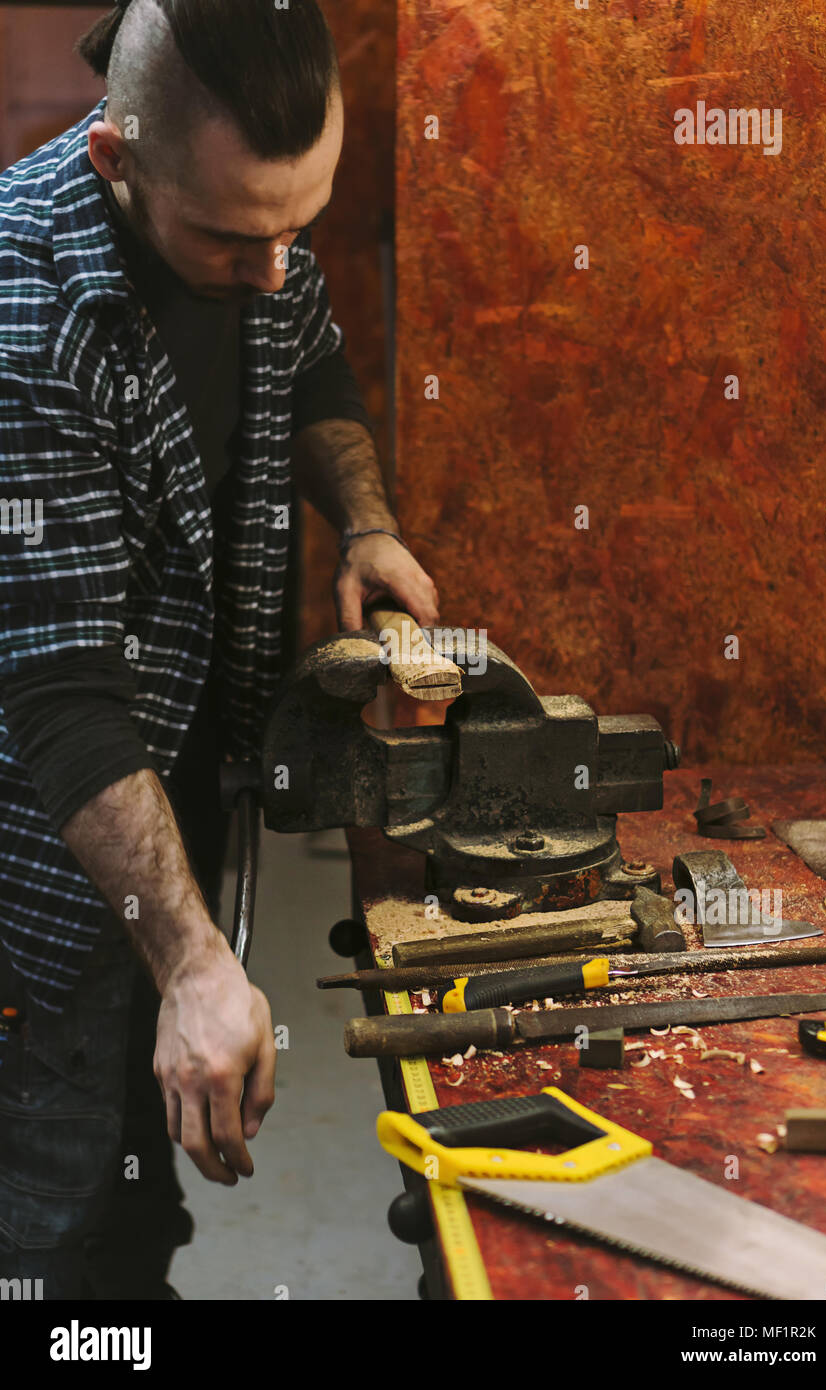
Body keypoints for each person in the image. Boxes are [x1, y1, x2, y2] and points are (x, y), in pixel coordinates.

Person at [0, 0, 438, 1299]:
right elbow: (66, 699)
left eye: (300, 226)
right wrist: (195, 963)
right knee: (46, 1227)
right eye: (240, 240)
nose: (277, 267)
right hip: (43, 879)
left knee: (134, 1219)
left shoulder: (252, 230)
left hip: (175, 828)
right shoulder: (26, 311)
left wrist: (365, 523)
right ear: (113, 160)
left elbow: (311, 376)